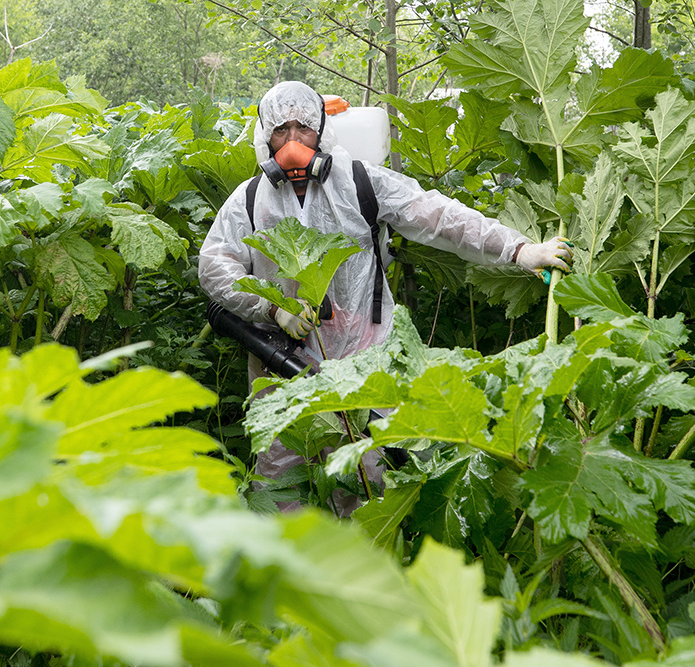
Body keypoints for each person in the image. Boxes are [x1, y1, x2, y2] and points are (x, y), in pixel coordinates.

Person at [198, 80, 572, 510]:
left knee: (368, 478)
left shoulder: (360, 181)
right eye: (281, 130)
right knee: (280, 482)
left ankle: (370, 568)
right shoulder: (248, 200)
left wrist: (520, 249)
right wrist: (270, 307)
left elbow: (439, 217)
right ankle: (290, 573)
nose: (293, 142)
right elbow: (215, 265)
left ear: (322, 131)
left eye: (303, 128)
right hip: (280, 361)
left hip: (365, 358)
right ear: (265, 137)